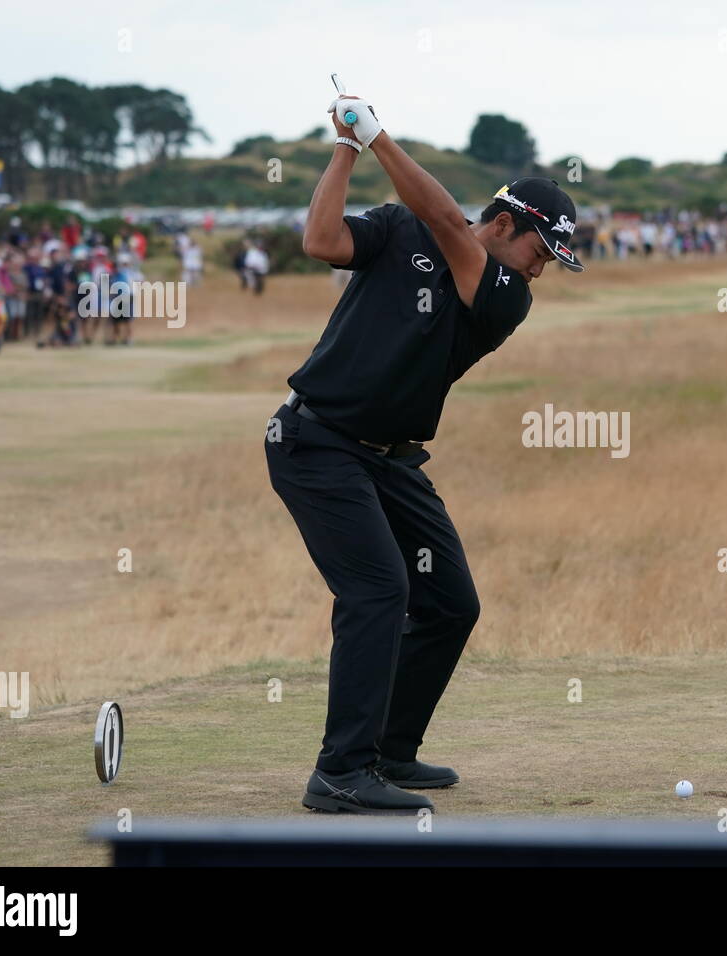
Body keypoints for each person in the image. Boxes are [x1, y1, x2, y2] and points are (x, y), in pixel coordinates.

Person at [265, 91, 583, 815]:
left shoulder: (505, 297)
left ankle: (389, 749)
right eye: (539, 252)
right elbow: (321, 241)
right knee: (378, 592)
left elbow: (447, 221)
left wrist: (378, 136)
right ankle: (341, 773)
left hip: (387, 457)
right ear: (504, 225)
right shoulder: (397, 227)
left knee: (450, 603)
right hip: (314, 442)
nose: (541, 270)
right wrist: (347, 144)